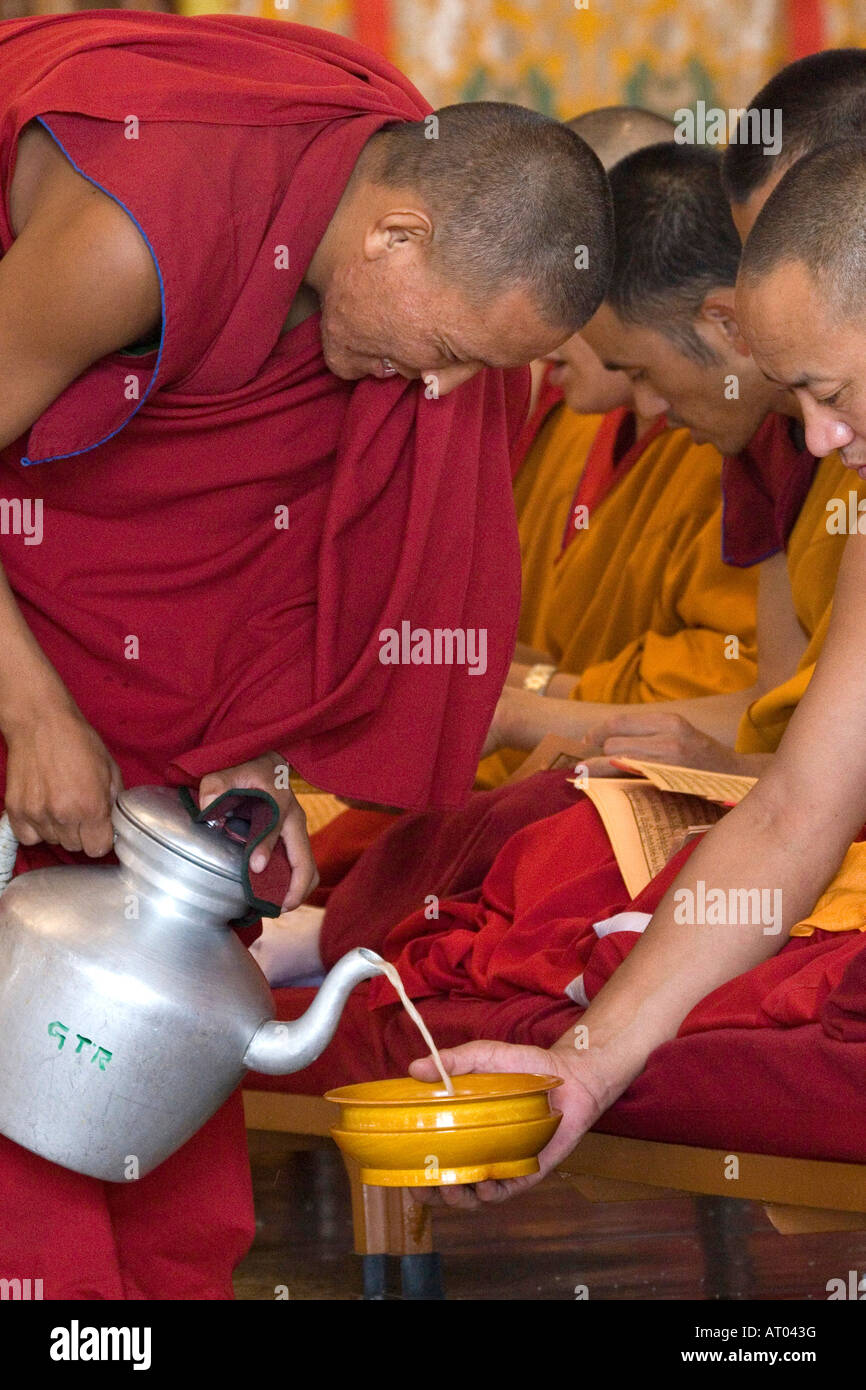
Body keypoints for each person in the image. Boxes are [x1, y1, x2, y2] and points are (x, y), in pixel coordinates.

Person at [0, 12, 614, 1296]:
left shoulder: (363, 237)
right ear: (397, 235)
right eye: (446, 354)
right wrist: (37, 711)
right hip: (28, 644)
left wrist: (262, 763)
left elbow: (287, 554)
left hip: (122, 691)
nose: (438, 397)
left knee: (154, 1036)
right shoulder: (138, 229)